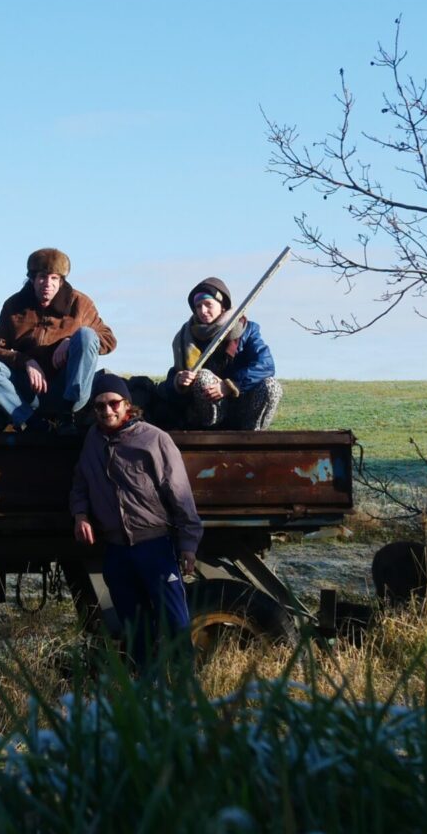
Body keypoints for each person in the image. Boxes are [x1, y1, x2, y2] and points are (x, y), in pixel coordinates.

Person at [70, 373, 203, 668]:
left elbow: (180, 493)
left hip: (154, 546)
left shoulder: (154, 439)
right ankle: (146, 694)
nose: (107, 411)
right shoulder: (93, 440)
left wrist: (188, 545)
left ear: (127, 404)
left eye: (113, 403)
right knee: (136, 630)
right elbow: (81, 481)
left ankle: (187, 694)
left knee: (176, 625)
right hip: (116, 551)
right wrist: (80, 514)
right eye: (100, 406)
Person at [0, 248, 116, 433]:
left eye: (54, 278)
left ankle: (68, 415)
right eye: (42, 277)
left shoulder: (80, 303)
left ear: (62, 281)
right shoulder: (14, 305)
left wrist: (71, 341)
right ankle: (29, 421)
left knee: (86, 335)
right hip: (30, 390)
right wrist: (25, 361)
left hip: (66, 386)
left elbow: (109, 339)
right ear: (32, 279)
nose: (48, 284)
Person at [164, 276, 282, 430]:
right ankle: (210, 433)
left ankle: (253, 436)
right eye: (198, 306)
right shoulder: (186, 337)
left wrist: (231, 385)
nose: (203, 311)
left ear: (222, 306)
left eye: (208, 304)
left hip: (242, 406)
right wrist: (178, 381)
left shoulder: (248, 330)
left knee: (271, 385)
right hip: (206, 414)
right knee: (204, 376)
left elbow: (265, 365)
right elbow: (170, 384)